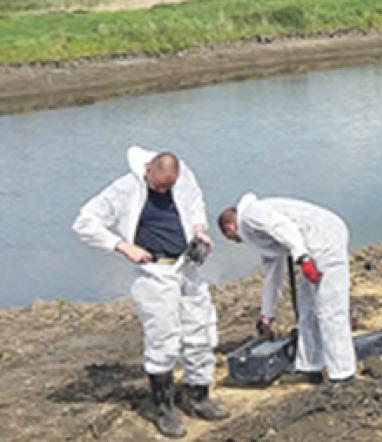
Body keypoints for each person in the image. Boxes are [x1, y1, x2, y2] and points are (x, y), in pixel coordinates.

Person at [73, 146, 228, 439]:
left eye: (169, 185)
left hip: (187, 265)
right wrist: (122, 246)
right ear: (148, 171)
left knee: (201, 331)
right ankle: (163, 409)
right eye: (160, 185)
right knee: (163, 338)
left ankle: (198, 398)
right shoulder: (125, 189)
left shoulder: (183, 178)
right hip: (154, 271)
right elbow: (85, 222)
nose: (164, 189)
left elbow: (195, 202)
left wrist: (199, 230)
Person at [217, 193, 356, 385]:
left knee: (330, 309)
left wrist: (302, 259)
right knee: (307, 308)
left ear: (230, 228)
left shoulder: (252, 215)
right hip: (310, 247)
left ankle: (343, 374)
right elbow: (272, 278)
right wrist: (266, 316)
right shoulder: (259, 236)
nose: (236, 242)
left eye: (232, 238)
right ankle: (310, 366)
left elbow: (284, 228)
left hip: (326, 238)